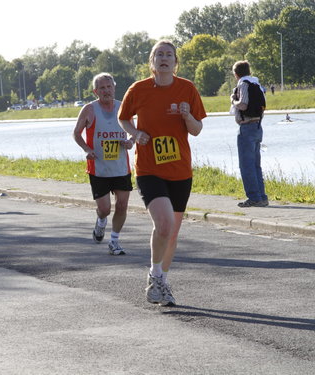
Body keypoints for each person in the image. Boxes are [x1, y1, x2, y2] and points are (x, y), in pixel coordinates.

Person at [118, 40, 206, 306]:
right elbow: (124, 118)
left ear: (175, 62)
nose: (164, 58)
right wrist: (135, 133)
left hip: (180, 171)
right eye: (159, 54)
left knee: (173, 232)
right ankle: (155, 275)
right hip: (149, 169)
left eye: (169, 54)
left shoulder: (187, 88)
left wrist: (187, 116)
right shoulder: (139, 89)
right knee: (164, 224)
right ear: (152, 61)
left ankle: (163, 280)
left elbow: (197, 129)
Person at [73, 73, 133, 255]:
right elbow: (76, 133)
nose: (106, 91)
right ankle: (100, 222)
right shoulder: (89, 110)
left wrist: (131, 141)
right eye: (102, 88)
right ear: (95, 91)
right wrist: (86, 149)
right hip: (98, 168)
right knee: (105, 209)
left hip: (121, 166)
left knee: (122, 206)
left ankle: (114, 241)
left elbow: (133, 130)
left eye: (109, 87)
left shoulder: (123, 107)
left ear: (114, 87)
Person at [230, 60, 268, 208]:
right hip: (258, 126)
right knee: (255, 165)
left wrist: (233, 101)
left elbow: (243, 104)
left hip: (247, 127)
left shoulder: (243, 84)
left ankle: (254, 198)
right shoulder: (256, 84)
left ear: (236, 74)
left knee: (246, 166)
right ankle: (262, 197)